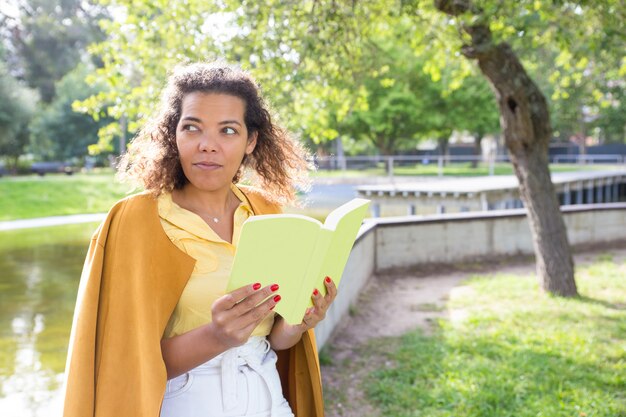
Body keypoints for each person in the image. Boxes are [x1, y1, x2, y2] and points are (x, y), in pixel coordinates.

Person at [62, 62, 336, 417]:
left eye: (227, 131)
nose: (208, 145)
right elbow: (122, 365)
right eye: (192, 128)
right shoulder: (133, 222)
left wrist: (300, 321)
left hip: (271, 400)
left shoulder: (266, 211)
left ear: (250, 140)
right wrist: (217, 336)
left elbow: (275, 339)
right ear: (173, 134)